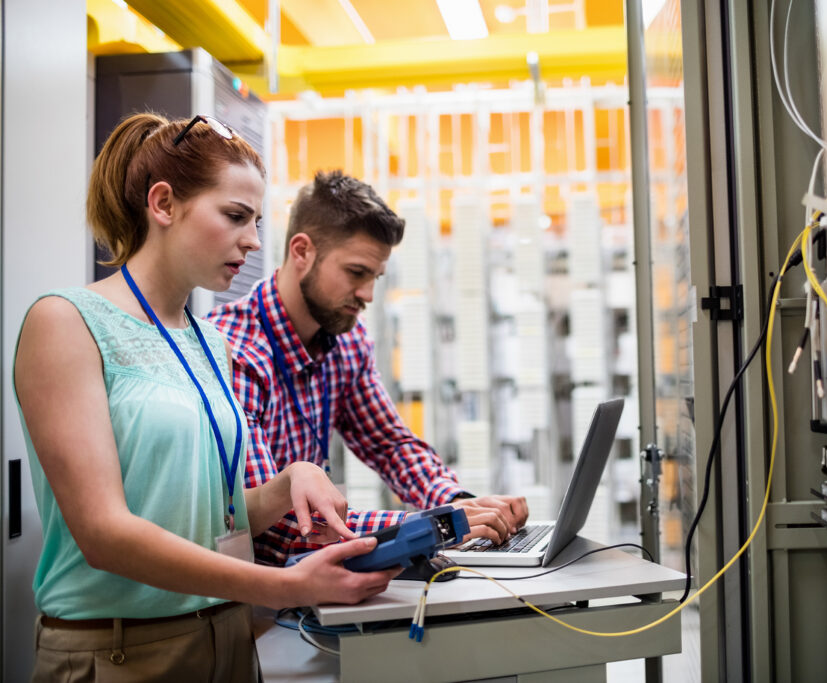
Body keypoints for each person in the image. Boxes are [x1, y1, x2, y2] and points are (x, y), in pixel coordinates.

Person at [13, 113, 399, 682]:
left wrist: (290, 479)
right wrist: (289, 585)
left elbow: (202, 516)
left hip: (226, 639)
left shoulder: (209, 341)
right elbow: (105, 534)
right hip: (119, 654)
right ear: (164, 204)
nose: (252, 240)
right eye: (235, 216)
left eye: (256, 221)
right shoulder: (65, 322)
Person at [207, 169, 529, 566]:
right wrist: (436, 528)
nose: (368, 295)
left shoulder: (345, 339)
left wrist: (458, 502)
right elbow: (274, 526)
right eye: (356, 273)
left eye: (375, 277)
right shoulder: (234, 352)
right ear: (302, 251)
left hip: (315, 586)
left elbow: (389, 444)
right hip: (258, 594)